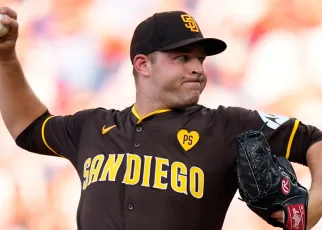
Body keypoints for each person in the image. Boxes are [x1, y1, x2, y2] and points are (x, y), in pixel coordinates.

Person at [0, 6, 322, 230]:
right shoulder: (93, 127)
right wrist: (6, 57)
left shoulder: (228, 125)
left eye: (200, 59)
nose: (197, 67)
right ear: (143, 64)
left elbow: (313, 140)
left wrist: (307, 213)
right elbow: (28, 128)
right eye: (182, 57)